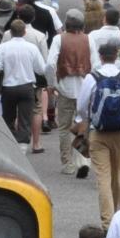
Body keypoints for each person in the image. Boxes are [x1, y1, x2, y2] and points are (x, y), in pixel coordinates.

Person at [73, 39, 120, 225]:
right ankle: (117, 216)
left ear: (100, 57)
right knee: (118, 176)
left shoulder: (92, 78)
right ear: (117, 55)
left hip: (98, 133)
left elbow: (81, 105)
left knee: (102, 176)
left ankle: (107, 222)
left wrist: (84, 119)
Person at [48, 10, 94, 178]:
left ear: (66, 24)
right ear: (82, 25)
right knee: (84, 126)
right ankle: (83, 160)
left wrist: (51, 84)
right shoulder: (89, 39)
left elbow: (49, 64)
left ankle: (67, 163)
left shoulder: (58, 39)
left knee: (64, 128)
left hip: (64, 88)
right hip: (85, 90)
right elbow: (95, 65)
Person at [0, 19, 48, 152]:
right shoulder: (31, 48)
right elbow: (41, 69)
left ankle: (9, 144)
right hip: (27, 87)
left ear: (10, 32)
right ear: (24, 32)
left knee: (8, 117)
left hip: (8, 87)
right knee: (25, 118)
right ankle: (22, 147)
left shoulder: (2, 48)